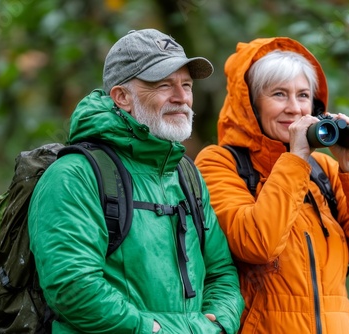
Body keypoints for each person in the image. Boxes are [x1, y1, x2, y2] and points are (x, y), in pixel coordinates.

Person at [28, 28, 244, 333]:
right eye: (164, 85)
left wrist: (221, 324)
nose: (182, 97)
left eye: (186, 85)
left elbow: (221, 272)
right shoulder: (74, 175)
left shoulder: (186, 173)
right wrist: (156, 329)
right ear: (122, 97)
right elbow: (72, 288)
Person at [194, 37, 349, 333]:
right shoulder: (220, 163)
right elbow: (257, 244)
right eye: (279, 94)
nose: (294, 108)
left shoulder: (325, 171)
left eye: (303, 95)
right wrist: (295, 159)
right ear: (251, 104)